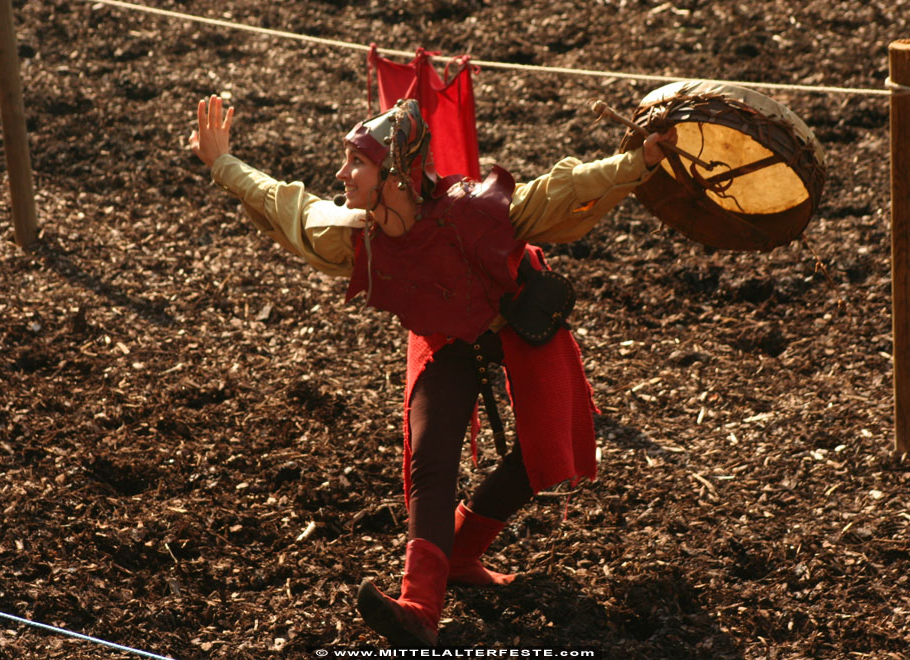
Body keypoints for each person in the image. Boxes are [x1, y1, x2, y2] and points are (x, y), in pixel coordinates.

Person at [189, 94, 676, 647]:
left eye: (357, 163)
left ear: (395, 172)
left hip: (517, 318)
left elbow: (558, 194)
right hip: (445, 334)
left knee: (546, 450)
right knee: (432, 457)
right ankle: (419, 608)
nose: (341, 174)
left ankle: (462, 554)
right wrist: (222, 163)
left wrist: (639, 162)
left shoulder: (475, 212)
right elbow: (286, 204)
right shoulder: (358, 236)